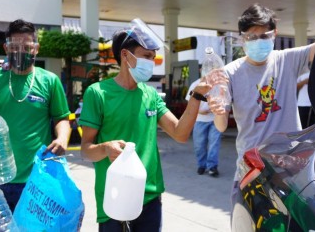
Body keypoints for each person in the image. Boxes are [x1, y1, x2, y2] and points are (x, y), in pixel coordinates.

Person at [79, 19, 221, 231]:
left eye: (153, 58)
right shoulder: (98, 93)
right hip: (114, 197)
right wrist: (106, 148)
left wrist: (196, 96)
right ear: (125, 55)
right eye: (146, 56)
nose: (151, 63)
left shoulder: (150, 95)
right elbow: (85, 150)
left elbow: (180, 134)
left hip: (150, 196)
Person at [208, 4, 315, 215]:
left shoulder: (287, 59)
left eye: (263, 35)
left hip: (289, 166)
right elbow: (221, 127)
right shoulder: (229, 73)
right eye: (251, 37)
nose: (257, 41)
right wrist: (218, 111)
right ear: (241, 38)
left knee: (292, 222)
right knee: (249, 221)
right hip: (252, 167)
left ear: (275, 33)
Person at [0, 19, 71, 211]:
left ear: (36, 48)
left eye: (26, 47)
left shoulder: (49, 81)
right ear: (6, 48)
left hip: (36, 178)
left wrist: (62, 138)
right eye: (15, 47)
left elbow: (62, 118)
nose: (20, 52)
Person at [186, 75, 223, 177]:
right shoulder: (196, 84)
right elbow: (189, 102)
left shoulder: (219, 84)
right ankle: (201, 165)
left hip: (215, 119)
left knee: (214, 144)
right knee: (199, 145)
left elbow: (225, 100)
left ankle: (212, 167)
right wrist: (201, 111)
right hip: (200, 120)